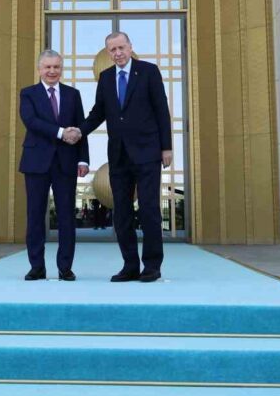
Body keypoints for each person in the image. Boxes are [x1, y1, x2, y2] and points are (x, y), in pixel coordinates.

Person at [66, 31, 172, 282]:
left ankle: (152, 266)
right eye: (112, 50)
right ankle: (130, 265)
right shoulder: (105, 78)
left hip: (147, 152)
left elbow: (161, 109)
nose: (118, 53)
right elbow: (97, 113)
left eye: (121, 48)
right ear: (108, 53)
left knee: (148, 210)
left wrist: (166, 147)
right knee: (122, 213)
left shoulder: (149, 71)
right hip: (119, 155)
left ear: (130, 47)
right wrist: (79, 130)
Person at [18, 50, 89, 281]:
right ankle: (36, 267)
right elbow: (31, 121)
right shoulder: (28, 94)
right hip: (36, 162)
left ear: (61, 68)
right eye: (47, 67)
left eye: (56, 67)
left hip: (66, 162)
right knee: (35, 215)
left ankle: (65, 268)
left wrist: (83, 159)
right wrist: (60, 132)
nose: (52, 71)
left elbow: (80, 128)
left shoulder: (73, 94)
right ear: (39, 69)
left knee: (67, 216)